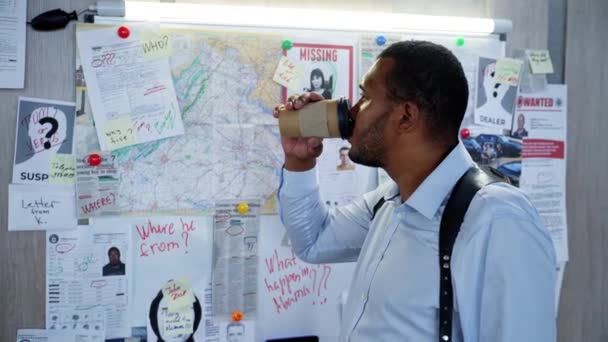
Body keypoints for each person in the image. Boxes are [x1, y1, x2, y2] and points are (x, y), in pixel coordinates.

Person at [273, 41, 556, 341]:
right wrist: (299, 159)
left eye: (365, 97)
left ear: (406, 116)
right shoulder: (389, 202)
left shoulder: (497, 218)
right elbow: (312, 241)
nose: (352, 111)